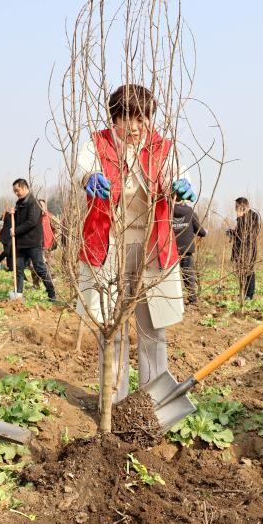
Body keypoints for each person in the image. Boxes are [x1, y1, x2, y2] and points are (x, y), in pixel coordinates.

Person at [75, 84, 194, 404]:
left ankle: (155, 402)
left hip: (151, 247)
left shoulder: (161, 148)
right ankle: (112, 401)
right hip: (110, 245)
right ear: (115, 118)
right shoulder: (98, 144)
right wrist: (90, 179)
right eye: (127, 118)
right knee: (112, 327)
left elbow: (172, 175)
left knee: (152, 327)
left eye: (142, 118)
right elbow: (80, 169)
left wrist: (178, 187)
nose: (135, 126)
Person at [9, 179, 56, 300]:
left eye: (17, 190)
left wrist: (16, 230)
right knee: (18, 269)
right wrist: (13, 214)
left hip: (33, 243)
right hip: (20, 243)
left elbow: (32, 222)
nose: (16, 193)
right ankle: (18, 294)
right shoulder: (19, 203)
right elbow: (18, 221)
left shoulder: (34, 203)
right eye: (14, 191)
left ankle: (52, 293)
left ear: (24, 188)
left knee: (40, 268)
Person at [172, 196, 207, 303]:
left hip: (170, 251)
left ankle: (172, 301)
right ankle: (192, 299)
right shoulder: (190, 212)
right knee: (188, 275)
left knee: (170, 277)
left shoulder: (166, 211)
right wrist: (205, 232)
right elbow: (201, 232)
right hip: (186, 250)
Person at [230, 197, 260, 300]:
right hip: (240, 249)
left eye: (237, 207)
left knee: (249, 271)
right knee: (241, 271)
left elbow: (248, 233)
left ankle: (249, 295)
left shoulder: (253, 216)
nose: (235, 209)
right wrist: (232, 233)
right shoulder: (242, 217)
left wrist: (240, 218)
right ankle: (243, 292)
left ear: (243, 206)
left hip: (249, 249)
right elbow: (239, 233)